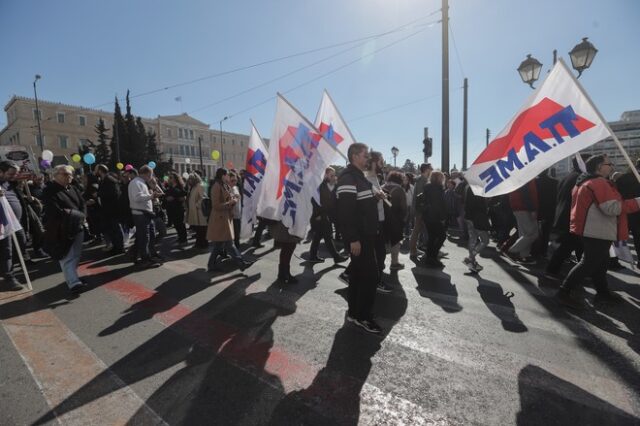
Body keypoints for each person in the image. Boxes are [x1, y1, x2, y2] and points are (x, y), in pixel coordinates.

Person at [556, 155, 640, 309]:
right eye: (609, 164)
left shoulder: (584, 181)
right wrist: (638, 201)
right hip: (597, 230)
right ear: (599, 167)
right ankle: (564, 292)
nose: (612, 166)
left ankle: (602, 292)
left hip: (593, 229)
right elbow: (612, 208)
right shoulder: (599, 183)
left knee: (601, 263)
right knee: (589, 263)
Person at [336, 143, 384, 334]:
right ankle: (363, 316)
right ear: (355, 156)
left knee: (357, 275)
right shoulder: (348, 178)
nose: (368, 159)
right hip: (359, 237)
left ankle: (354, 313)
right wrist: (353, 239)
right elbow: (345, 213)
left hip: (366, 235)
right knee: (370, 277)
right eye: (365, 156)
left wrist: (375, 198)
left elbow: (360, 206)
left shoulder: (359, 177)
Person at [42, 165, 88, 294]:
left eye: (70, 174)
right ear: (55, 175)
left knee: (77, 254)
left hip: (77, 225)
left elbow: (82, 203)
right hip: (62, 228)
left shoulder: (72, 188)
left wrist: (82, 216)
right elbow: (54, 210)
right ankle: (73, 283)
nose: (69, 177)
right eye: (65, 174)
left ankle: (74, 277)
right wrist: (76, 216)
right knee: (67, 255)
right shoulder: (49, 190)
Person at [545, 156, 588, 279]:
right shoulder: (580, 177)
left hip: (564, 215)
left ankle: (583, 270)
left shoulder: (567, 177)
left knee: (575, 245)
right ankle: (552, 271)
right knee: (568, 245)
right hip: (572, 216)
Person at [206, 168, 251, 272]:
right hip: (220, 219)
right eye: (227, 175)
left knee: (219, 245)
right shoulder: (216, 186)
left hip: (225, 218)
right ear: (223, 175)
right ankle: (241, 264)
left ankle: (211, 264)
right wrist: (230, 203)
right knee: (229, 244)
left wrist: (234, 199)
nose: (228, 177)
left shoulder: (223, 185)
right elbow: (216, 205)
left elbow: (228, 197)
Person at [308, 167, 347, 264]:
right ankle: (336, 257)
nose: (334, 177)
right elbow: (314, 201)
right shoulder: (320, 187)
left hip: (328, 216)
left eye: (334, 175)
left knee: (318, 236)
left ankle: (312, 256)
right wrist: (318, 215)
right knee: (328, 236)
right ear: (325, 176)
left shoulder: (335, 187)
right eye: (332, 175)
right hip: (320, 216)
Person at [366, 151, 392, 294]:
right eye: (382, 161)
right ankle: (376, 282)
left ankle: (350, 274)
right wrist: (377, 198)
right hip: (373, 223)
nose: (384, 164)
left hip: (379, 221)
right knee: (378, 254)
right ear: (375, 162)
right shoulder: (367, 179)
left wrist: (384, 195)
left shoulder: (374, 178)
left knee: (378, 253)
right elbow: (363, 205)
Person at [0, 161, 28, 291]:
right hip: (3, 224)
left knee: (21, 243)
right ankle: (10, 278)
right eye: (11, 173)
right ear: (1, 172)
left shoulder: (10, 183)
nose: (14, 176)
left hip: (16, 223)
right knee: (7, 250)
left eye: (15, 173)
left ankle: (6, 271)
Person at [128, 165, 163, 268]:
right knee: (144, 238)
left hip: (146, 214)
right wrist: (151, 196)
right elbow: (137, 198)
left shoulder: (141, 183)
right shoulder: (136, 183)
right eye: (150, 175)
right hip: (141, 214)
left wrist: (152, 193)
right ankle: (145, 259)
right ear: (147, 174)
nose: (151, 177)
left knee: (149, 235)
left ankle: (148, 256)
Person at [506, 179, 539, 264]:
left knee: (525, 234)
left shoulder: (520, 176)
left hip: (518, 207)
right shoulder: (526, 176)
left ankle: (523, 256)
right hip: (524, 208)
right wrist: (532, 209)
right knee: (533, 233)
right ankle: (512, 251)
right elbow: (526, 194)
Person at [95, 164, 124, 254]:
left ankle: (120, 248)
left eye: (96, 169)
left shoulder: (110, 180)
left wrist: (99, 194)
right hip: (107, 210)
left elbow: (114, 194)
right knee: (111, 229)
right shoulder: (103, 180)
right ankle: (116, 246)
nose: (95, 171)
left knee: (116, 229)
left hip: (112, 209)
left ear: (100, 170)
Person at [421, 171, 447, 267]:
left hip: (427, 216)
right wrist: (442, 218)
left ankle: (429, 257)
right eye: (441, 177)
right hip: (434, 217)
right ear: (438, 178)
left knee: (432, 237)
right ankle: (433, 257)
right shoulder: (437, 188)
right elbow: (438, 205)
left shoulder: (428, 187)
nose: (443, 179)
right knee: (442, 236)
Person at [383, 171, 407, 270]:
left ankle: (380, 262)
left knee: (383, 241)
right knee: (395, 241)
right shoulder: (399, 190)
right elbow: (403, 207)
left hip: (383, 218)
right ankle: (394, 263)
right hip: (396, 219)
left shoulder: (381, 187)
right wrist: (404, 220)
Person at [463, 183, 490, 273]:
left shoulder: (469, 187)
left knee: (473, 239)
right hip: (476, 218)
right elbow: (478, 205)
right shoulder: (477, 188)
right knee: (485, 240)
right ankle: (470, 258)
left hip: (470, 217)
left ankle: (472, 261)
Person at [409, 163, 432, 260]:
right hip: (421, 210)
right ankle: (415, 251)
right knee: (418, 230)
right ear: (426, 169)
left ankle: (414, 250)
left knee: (418, 230)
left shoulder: (422, 179)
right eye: (431, 168)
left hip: (420, 209)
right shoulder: (422, 180)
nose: (432, 170)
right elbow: (420, 197)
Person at [186, 173, 209, 249]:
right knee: (198, 229)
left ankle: (203, 244)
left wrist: (197, 205)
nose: (189, 180)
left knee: (202, 229)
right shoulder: (193, 187)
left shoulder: (199, 186)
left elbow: (203, 197)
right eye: (189, 179)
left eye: (191, 179)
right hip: (195, 211)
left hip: (200, 211)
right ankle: (199, 243)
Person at [165, 172, 188, 245]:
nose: (170, 179)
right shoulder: (170, 187)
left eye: (171, 177)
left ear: (175, 178)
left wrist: (174, 198)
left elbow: (183, 196)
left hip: (178, 208)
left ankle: (184, 239)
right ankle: (180, 237)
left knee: (180, 224)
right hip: (171, 208)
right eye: (169, 177)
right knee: (176, 224)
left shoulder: (179, 186)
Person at [228, 171, 242, 249]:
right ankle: (234, 251)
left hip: (238, 213)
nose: (234, 182)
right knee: (232, 234)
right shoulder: (227, 188)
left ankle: (236, 250)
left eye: (235, 180)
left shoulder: (236, 187)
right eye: (232, 180)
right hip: (231, 215)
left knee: (237, 233)